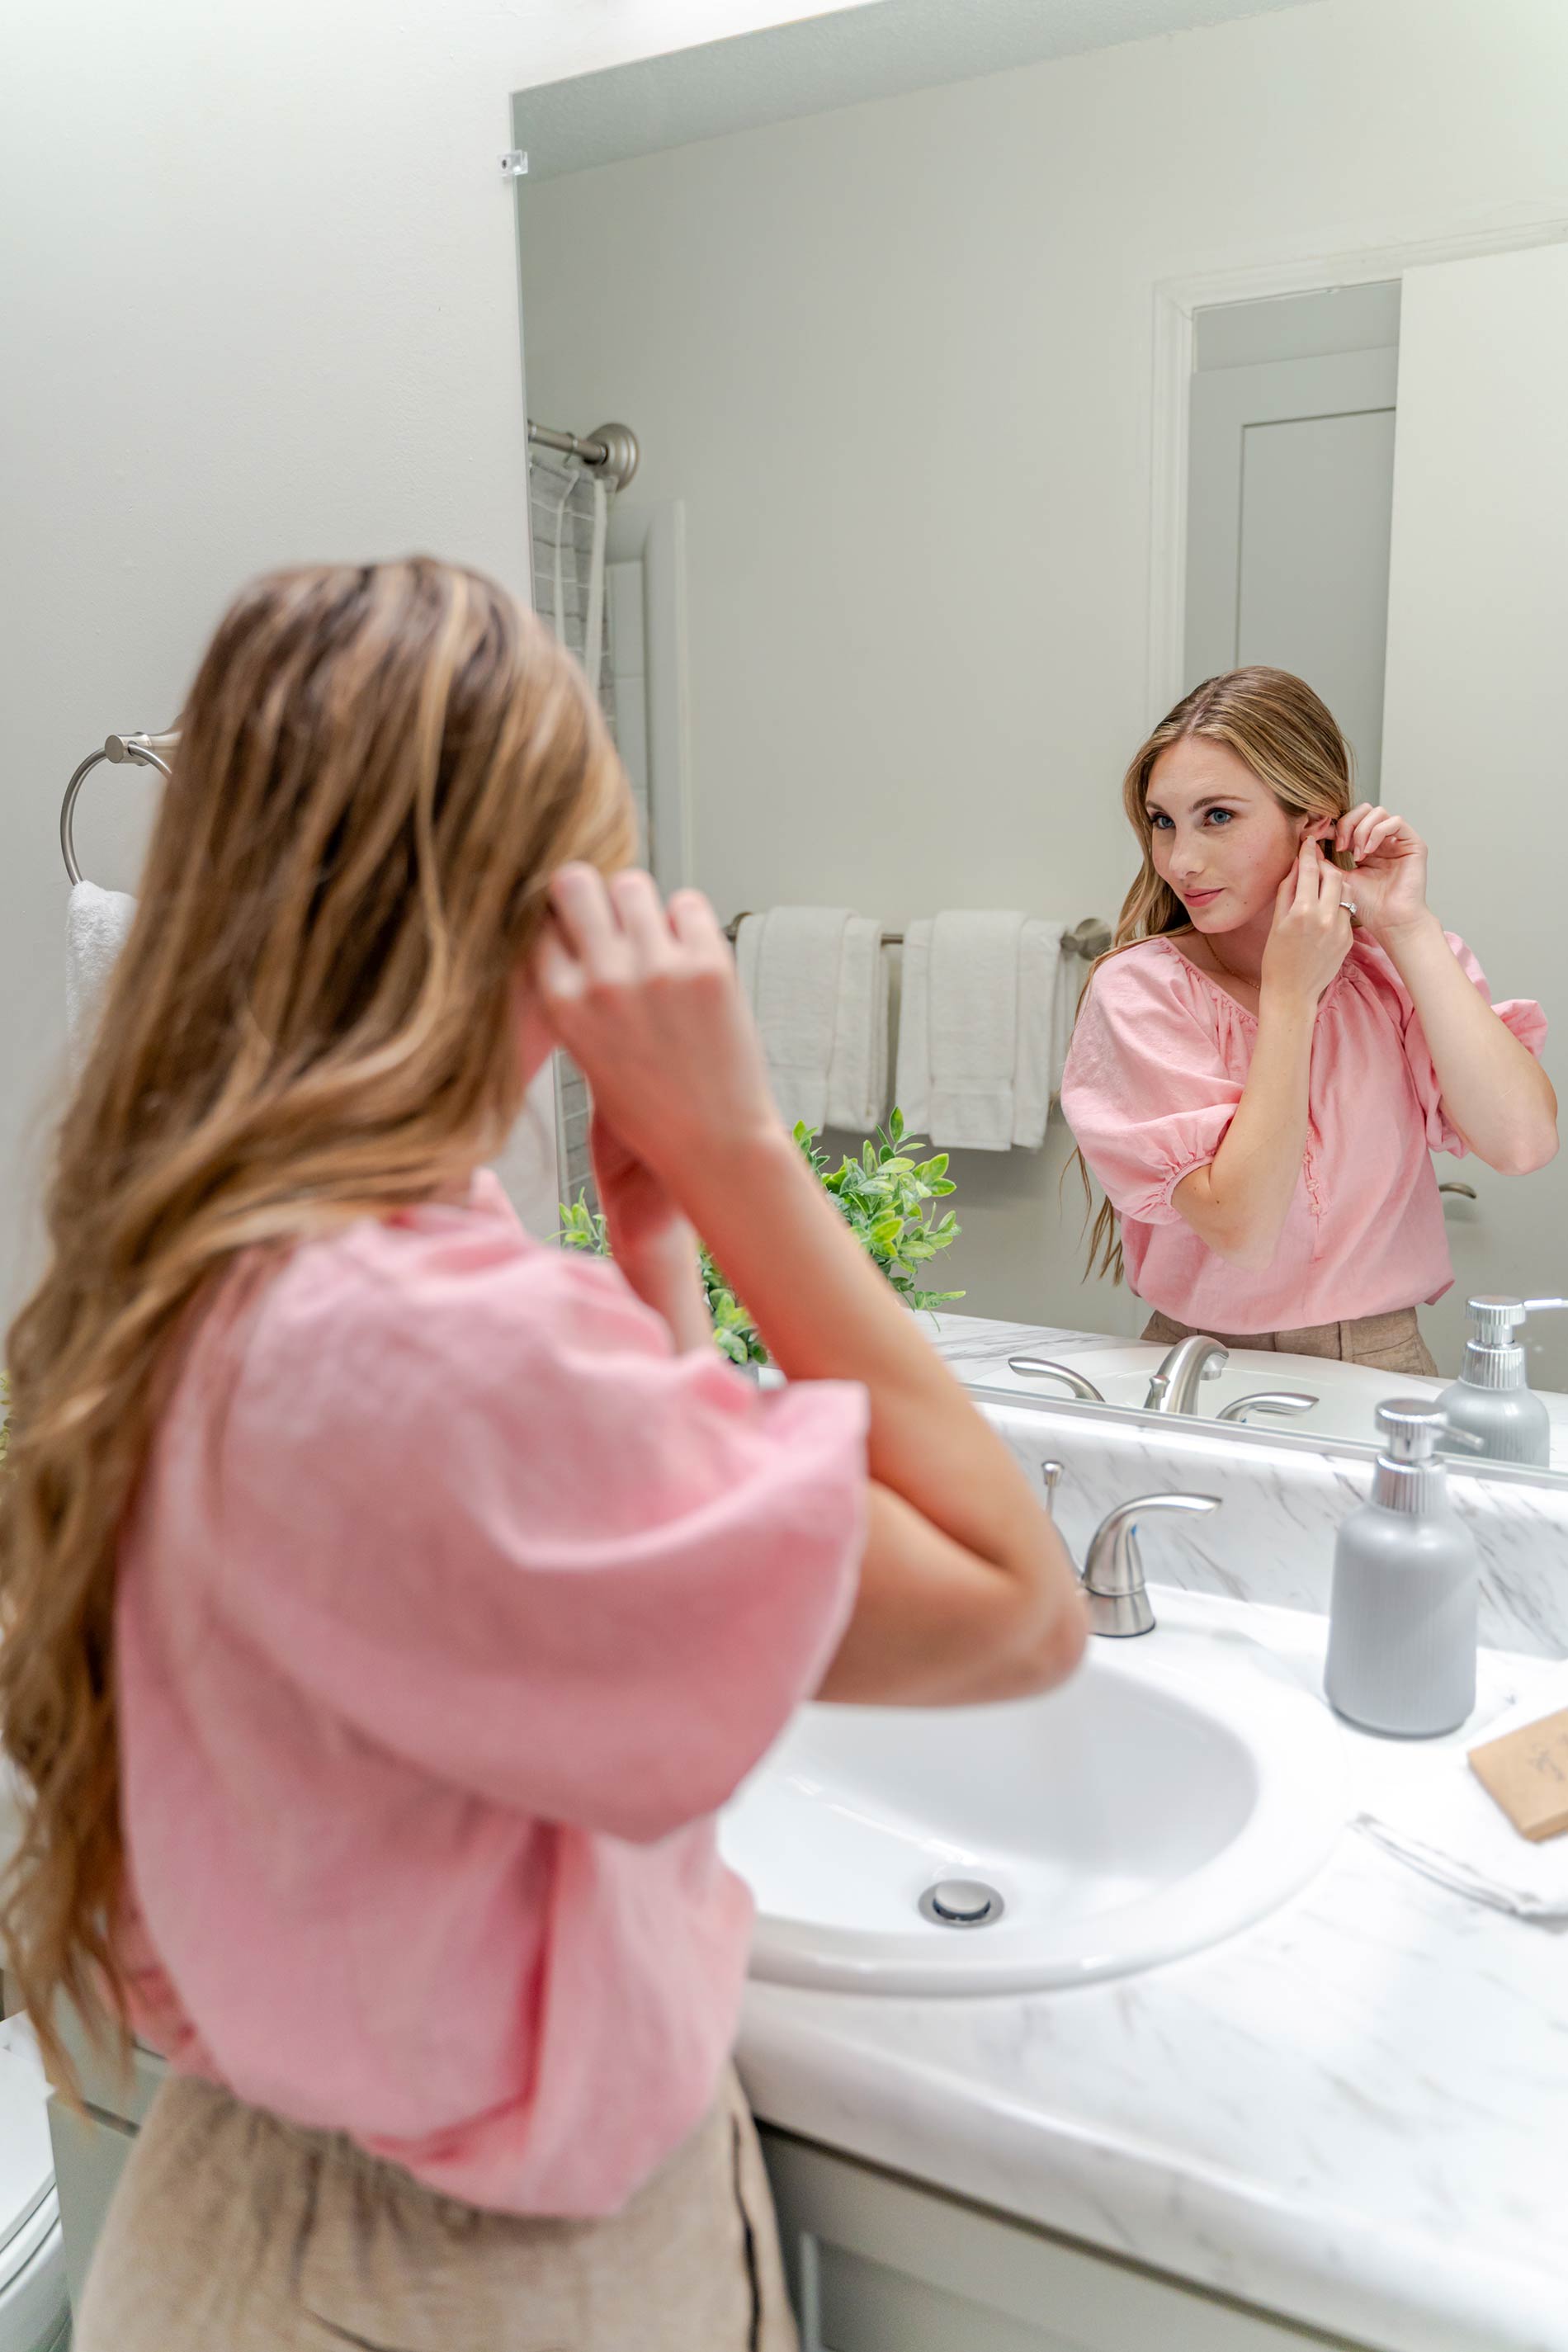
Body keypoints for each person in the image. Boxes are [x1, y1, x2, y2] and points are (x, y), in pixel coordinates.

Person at [0, 560, 1085, 2351]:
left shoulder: (205, 1264)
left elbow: (614, 1622)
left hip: (243, 2210)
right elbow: (1017, 1609)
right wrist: (738, 1150)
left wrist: (656, 1255)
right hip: (450, 2282)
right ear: (519, 918)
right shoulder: (439, 1349)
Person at [1060, 667, 1556, 1372]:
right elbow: (1242, 1231)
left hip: (1384, 1361)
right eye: (1163, 822)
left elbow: (1523, 1144)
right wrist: (1291, 1000)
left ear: (1315, 823)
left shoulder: (1397, 967)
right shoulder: (1142, 991)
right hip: (1199, 1366)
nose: (1181, 861)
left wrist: (1409, 927)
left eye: (1218, 816)